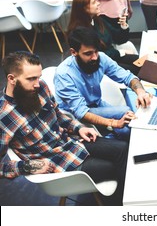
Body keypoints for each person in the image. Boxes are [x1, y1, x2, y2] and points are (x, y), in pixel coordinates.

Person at [0, 51, 128, 205]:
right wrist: (28, 166)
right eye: (31, 79)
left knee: (123, 149)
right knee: (113, 167)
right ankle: (119, 209)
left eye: (38, 77)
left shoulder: (40, 87)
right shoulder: (4, 115)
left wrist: (78, 127)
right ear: (11, 79)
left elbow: (58, 115)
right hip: (55, 162)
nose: (37, 83)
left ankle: (122, 203)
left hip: (70, 142)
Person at [54, 26, 152, 141]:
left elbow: (127, 77)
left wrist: (141, 92)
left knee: (128, 128)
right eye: (88, 53)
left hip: (96, 104)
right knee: (125, 112)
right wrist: (114, 123)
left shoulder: (101, 58)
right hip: (75, 114)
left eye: (96, 51)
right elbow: (81, 112)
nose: (95, 57)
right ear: (74, 52)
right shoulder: (64, 74)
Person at [68, 0, 140, 75]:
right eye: (94, 2)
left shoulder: (98, 20)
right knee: (137, 70)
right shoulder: (79, 31)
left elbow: (120, 39)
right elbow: (95, 55)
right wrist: (121, 52)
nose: (98, 4)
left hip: (112, 57)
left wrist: (123, 26)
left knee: (144, 63)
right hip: (100, 65)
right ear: (85, 8)